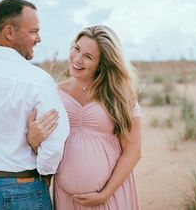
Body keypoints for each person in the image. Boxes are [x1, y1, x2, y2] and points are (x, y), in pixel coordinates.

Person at [27, 25, 142, 209]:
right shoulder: (54, 93)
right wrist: (33, 139)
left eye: (88, 57)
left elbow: (133, 151)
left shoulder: (120, 96)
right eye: (77, 48)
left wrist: (105, 194)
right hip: (66, 198)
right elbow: (42, 145)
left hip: (111, 195)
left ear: (103, 64)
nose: (77, 59)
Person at [0, 0, 69, 210]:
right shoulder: (37, 80)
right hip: (21, 189)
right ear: (9, 32)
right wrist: (43, 173)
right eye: (34, 31)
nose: (39, 38)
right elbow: (55, 141)